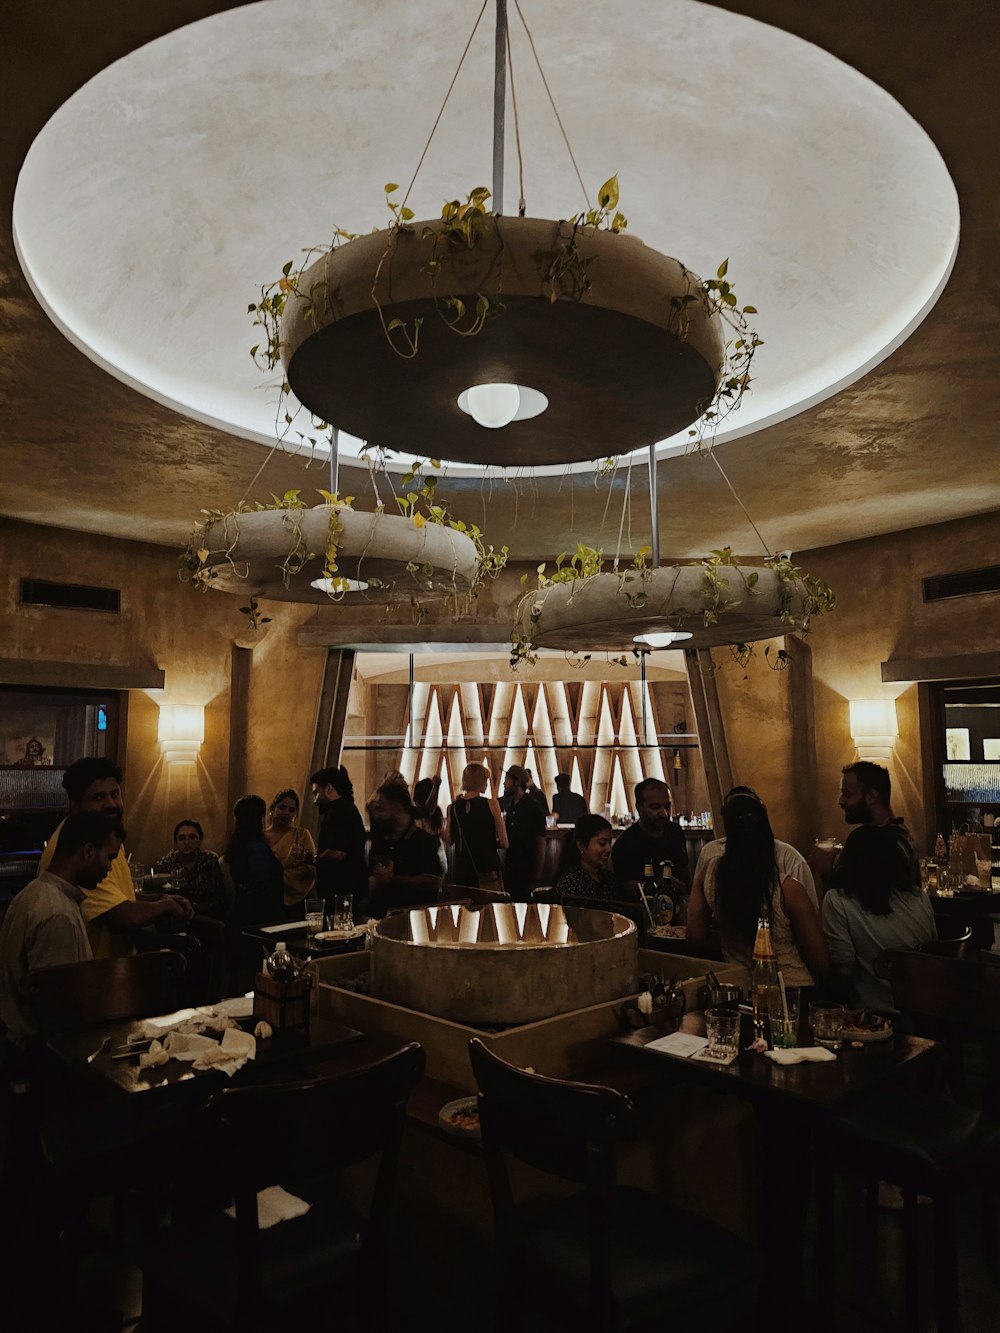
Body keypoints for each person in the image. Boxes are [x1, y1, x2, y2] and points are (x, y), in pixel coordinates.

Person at [38, 757, 192, 958]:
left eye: (115, 794)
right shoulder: (79, 850)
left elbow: (118, 896)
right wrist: (166, 906)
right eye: (98, 798)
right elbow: (123, 916)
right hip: (92, 977)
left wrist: (158, 898)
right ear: (75, 805)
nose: (111, 804)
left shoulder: (105, 836)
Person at [0, 813, 123, 1045]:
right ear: (87, 851)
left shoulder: (32, 893)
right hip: (40, 1054)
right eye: (109, 857)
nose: (109, 868)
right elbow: (59, 1012)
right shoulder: (57, 914)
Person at [687, 787, 828, 986]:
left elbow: (695, 936)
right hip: (790, 989)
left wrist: (729, 940)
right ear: (765, 828)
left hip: (739, 986)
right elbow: (820, 961)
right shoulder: (788, 889)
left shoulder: (709, 875)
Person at [822, 823, 937, 1011]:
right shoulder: (920, 898)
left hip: (874, 1019)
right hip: (927, 1016)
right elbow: (933, 952)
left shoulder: (838, 901)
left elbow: (843, 973)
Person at [811, 761, 920, 890]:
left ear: (871, 797)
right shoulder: (888, 837)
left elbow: (864, 902)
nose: (840, 801)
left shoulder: (891, 844)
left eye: (847, 794)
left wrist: (829, 869)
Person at [223, 795, 286, 988]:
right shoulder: (255, 847)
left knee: (239, 972)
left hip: (240, 914)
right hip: (257, 918)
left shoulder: (237, 843)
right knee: (254, 973)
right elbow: (261, 880)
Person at [366, 783, 443, 917]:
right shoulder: (381, 839)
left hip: (413, 917)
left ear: (398, 808)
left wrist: (394, 878)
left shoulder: (424, 841)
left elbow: (434, 882)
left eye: (381, 809)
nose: (376, 816)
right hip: (379, 915)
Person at [611, 778, 690, 893]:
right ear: (639, 807)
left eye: (667, 806)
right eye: (655, 808)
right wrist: (657, 884)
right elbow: (625, 888)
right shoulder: (625, 844)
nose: (664, 813)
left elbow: (685, 871)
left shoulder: (675, 831)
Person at [311, 766, 368, 916]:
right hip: (352, 887)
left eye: (316, 793)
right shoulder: (349, 809)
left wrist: (314, 859)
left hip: (341, 890)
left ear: (329, 788)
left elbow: (337, 853)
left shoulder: (337, 813)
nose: (315, 800)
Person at [446, 762, 507, 891]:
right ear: (480, 781)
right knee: (491, 908)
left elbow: (449, 839)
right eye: (485, 780)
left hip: (462, 870)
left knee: (464, 908)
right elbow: (504, 842)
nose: (486, 784)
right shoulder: (492, 804)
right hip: (487, 867)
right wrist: (488, 841)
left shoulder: (453, 807)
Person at [152, 819, 228, 921]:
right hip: (174, 918)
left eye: (192, 837)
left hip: (205, 916)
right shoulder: (165, 865)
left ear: (200, 840)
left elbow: (220, 897)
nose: (187, 842)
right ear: (175, 842)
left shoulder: (210, 860)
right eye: (182, 838)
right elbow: (158, 900)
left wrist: (196, 908)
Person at [554, 814, 634, 902]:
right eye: (602, 843)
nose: (608, 849)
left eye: (609, 843)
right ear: (581, 845)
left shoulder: (608, 878)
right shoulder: (570, 883)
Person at [263, 790, 317, 909]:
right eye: (282, 807)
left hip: (297, 901)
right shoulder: (261, 837)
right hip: (265, 899)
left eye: (291, 810)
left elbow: (309, 868)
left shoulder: (302, 835)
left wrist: (278, 877)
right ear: (272, 809)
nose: (286, 812)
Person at [502, 765, 547, 897]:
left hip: (527, 872)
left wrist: (537, 876)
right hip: (511, 871)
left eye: (507, 779)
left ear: (517, 782)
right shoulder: (510, 807)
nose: (504, 783)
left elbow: (541, 842)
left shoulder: (533, 807)